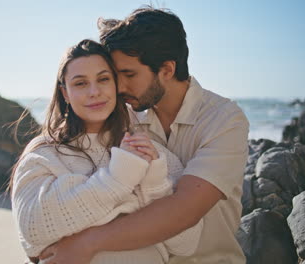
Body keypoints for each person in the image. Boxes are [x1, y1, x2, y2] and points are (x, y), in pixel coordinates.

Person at [38, 7, 250, 264]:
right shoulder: (126, 117)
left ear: (167, 70)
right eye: (115, 76)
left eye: (129, 75)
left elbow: (183, 211)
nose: (119, 87)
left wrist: (87, 243)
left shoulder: (224, 119)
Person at [10, 39, 203, 264]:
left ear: (116, 85)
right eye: (80, 83)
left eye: (103, 79)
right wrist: (118, 178)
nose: (94, 92)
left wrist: (155, 184)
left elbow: (187, 243)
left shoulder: (151, 152)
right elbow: (33, 232)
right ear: (65, 93)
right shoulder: (44, 154)